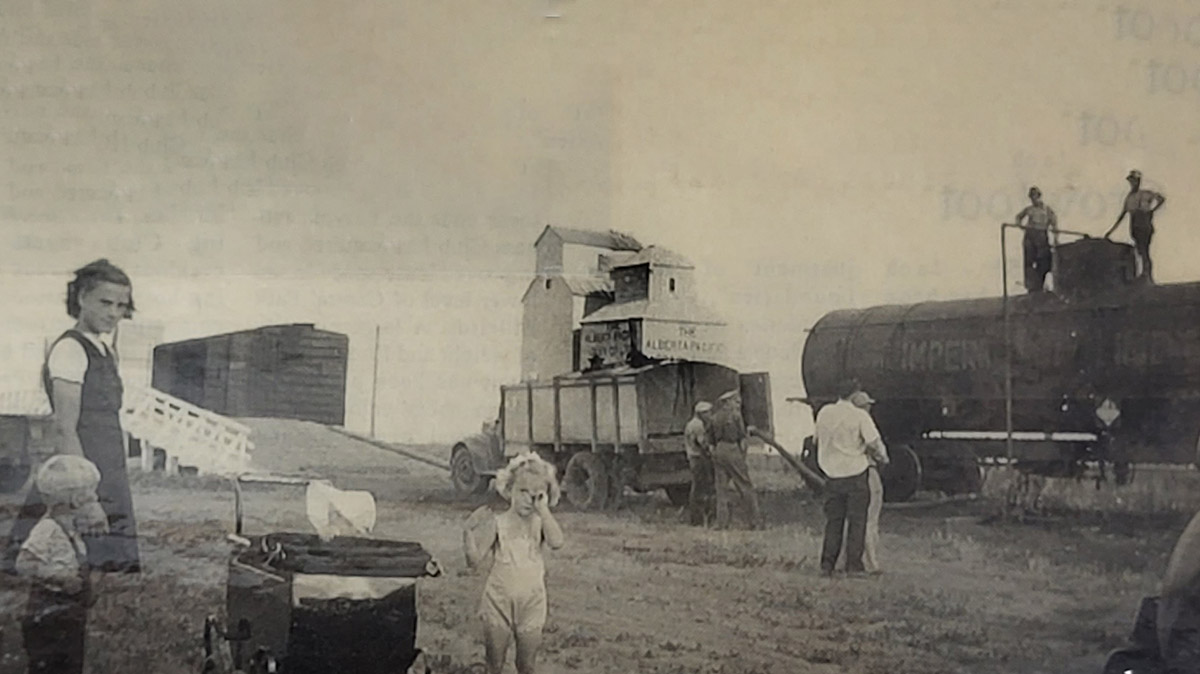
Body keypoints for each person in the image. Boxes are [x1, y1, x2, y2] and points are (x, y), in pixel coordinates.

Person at [6, 259, 141, 576]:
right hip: (81, 459)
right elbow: (65, 428)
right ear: (81, 298)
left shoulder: (105, 350)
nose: (113, 313)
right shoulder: (70, 349)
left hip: (107, 459)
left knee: (107, 558)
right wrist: (84, 492)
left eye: (121, 305)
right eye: (105, 302)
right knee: (67, 542)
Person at [463, 453, 565, 674]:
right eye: (522, 491)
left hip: (532, 603)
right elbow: (474, 561)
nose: (529, 499)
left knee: (526, 665)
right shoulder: (498, 523)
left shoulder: (540, 523)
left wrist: (544, 510)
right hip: (498, 602)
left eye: (536, 494)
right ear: (509, 490)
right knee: (494, 664)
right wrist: (468, 533)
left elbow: (557, 542)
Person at [16, 455, 103, 674]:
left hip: (69, 612)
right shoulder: (47, 530)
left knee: (71, 662)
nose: (95, 498)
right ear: (74, 500)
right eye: (90, 495)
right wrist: (58, 577)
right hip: (47, 613)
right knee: (48, 665)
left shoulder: (71, 530)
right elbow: (23, 564)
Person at [814, 381, 887, 577]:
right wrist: (883, 458)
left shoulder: (824, 413)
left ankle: (827, 565)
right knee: (857, 521)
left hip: (831, 474)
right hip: (855, 473)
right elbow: (875, 444)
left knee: (833, 522)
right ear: (854, 394)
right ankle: (854, 565)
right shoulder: (860, 416)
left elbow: (816, 439)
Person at [839, 391, 888, 574]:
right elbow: (876, 448)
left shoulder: (842, 424)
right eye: (868, 406)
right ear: (864, 407)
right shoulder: (863, 422)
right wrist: (883, 459)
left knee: (850, 519)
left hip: (847, 474)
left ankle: (844, 561)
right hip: (867, 472)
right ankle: (871, 563)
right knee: (870, 520)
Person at [709, 389, 762, 530]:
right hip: (732, 449)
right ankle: (755, 521)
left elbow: (710, 442)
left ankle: (722, 523)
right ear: (727, 402)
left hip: (719, 450)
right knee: (745, 485)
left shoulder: (714, 417)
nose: (736, 403)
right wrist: (742, 456)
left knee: (721, 489)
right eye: (733, 400)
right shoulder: (735, 416)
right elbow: (742, 438)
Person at [1105, 169, 1165, 283]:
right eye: (1132, 181)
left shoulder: (1145, 193)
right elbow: (1122, 215)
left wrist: (1152, 211)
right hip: (1134, 226)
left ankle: (1148, 276)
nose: (1133, 183)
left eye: (1135, 181)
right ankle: (1144, 275)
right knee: (1140, 250)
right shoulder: (1129, 198)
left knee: (1144, 250)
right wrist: (1111, 230)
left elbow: (1161, 199)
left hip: (1144, 225)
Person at [1013, 186, 1059, 292]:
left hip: (1042, 236)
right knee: (1029, 262)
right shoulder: (1029, 209)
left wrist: (1056, 238)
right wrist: (1021, 226)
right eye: (1031, 197)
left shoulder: (1047, 210)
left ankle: (1040, 286)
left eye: (1035, 196)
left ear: (1039, 196)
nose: (1033, 199)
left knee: (1043, 261)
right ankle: (1031, 288)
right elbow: (1018, 217)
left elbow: (1054, 224)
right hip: (1030, 237)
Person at [683, 401, 715, 526]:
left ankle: (696, 518)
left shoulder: (690, 424)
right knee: (700, 487)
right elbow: (702, 443)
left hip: (692, 457)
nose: (709, 415)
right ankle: (697, 518)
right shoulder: (698, 425)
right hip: (698, 458)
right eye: (707, 413)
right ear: (700, 414)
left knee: (697, 487)